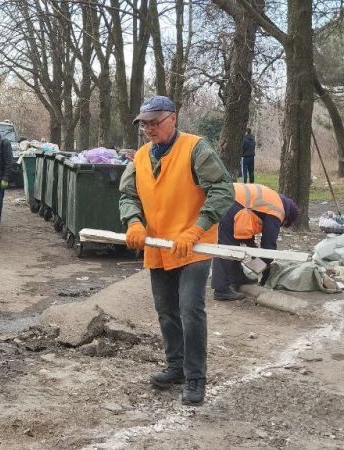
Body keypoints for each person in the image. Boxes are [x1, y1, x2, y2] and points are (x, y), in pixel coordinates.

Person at [119, 96, 234, 405]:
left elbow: (224, 189)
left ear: (173, 118)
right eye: (145, 124)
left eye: (155, 122)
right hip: (158, 246)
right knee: (167, 310)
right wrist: (133, 222)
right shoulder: (141, 157)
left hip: (193, 245)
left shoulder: (196, 149)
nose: (149, 129)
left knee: (190, 310)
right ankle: (176, 367)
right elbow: (128, 194)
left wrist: (197, 228)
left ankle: (196, 378)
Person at [211, 183, 300, 301]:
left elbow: (247, 234)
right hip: (230, 203)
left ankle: (236, 278)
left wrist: (253, 252)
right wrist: (265, 266)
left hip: (229, 199)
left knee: (233, 245)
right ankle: (221, 289)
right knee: (227, 247)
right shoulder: (277, 210)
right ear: (287, 218)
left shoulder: (273, 200)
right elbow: (269, 244)